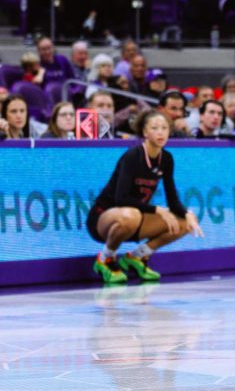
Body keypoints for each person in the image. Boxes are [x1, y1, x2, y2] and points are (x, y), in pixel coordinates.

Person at [87, 111, 204, 285]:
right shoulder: (133, 156)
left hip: (136, 217)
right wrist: (157, 210)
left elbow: (173, 200)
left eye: (164, 128)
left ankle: (137, 257)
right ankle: (105, 258)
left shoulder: (167, 158)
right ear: (145, 132)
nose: (160, 132)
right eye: (155, 128)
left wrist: (187, 213)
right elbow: (121, 199)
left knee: (184, 223)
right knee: (131, 215)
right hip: (104, 219)